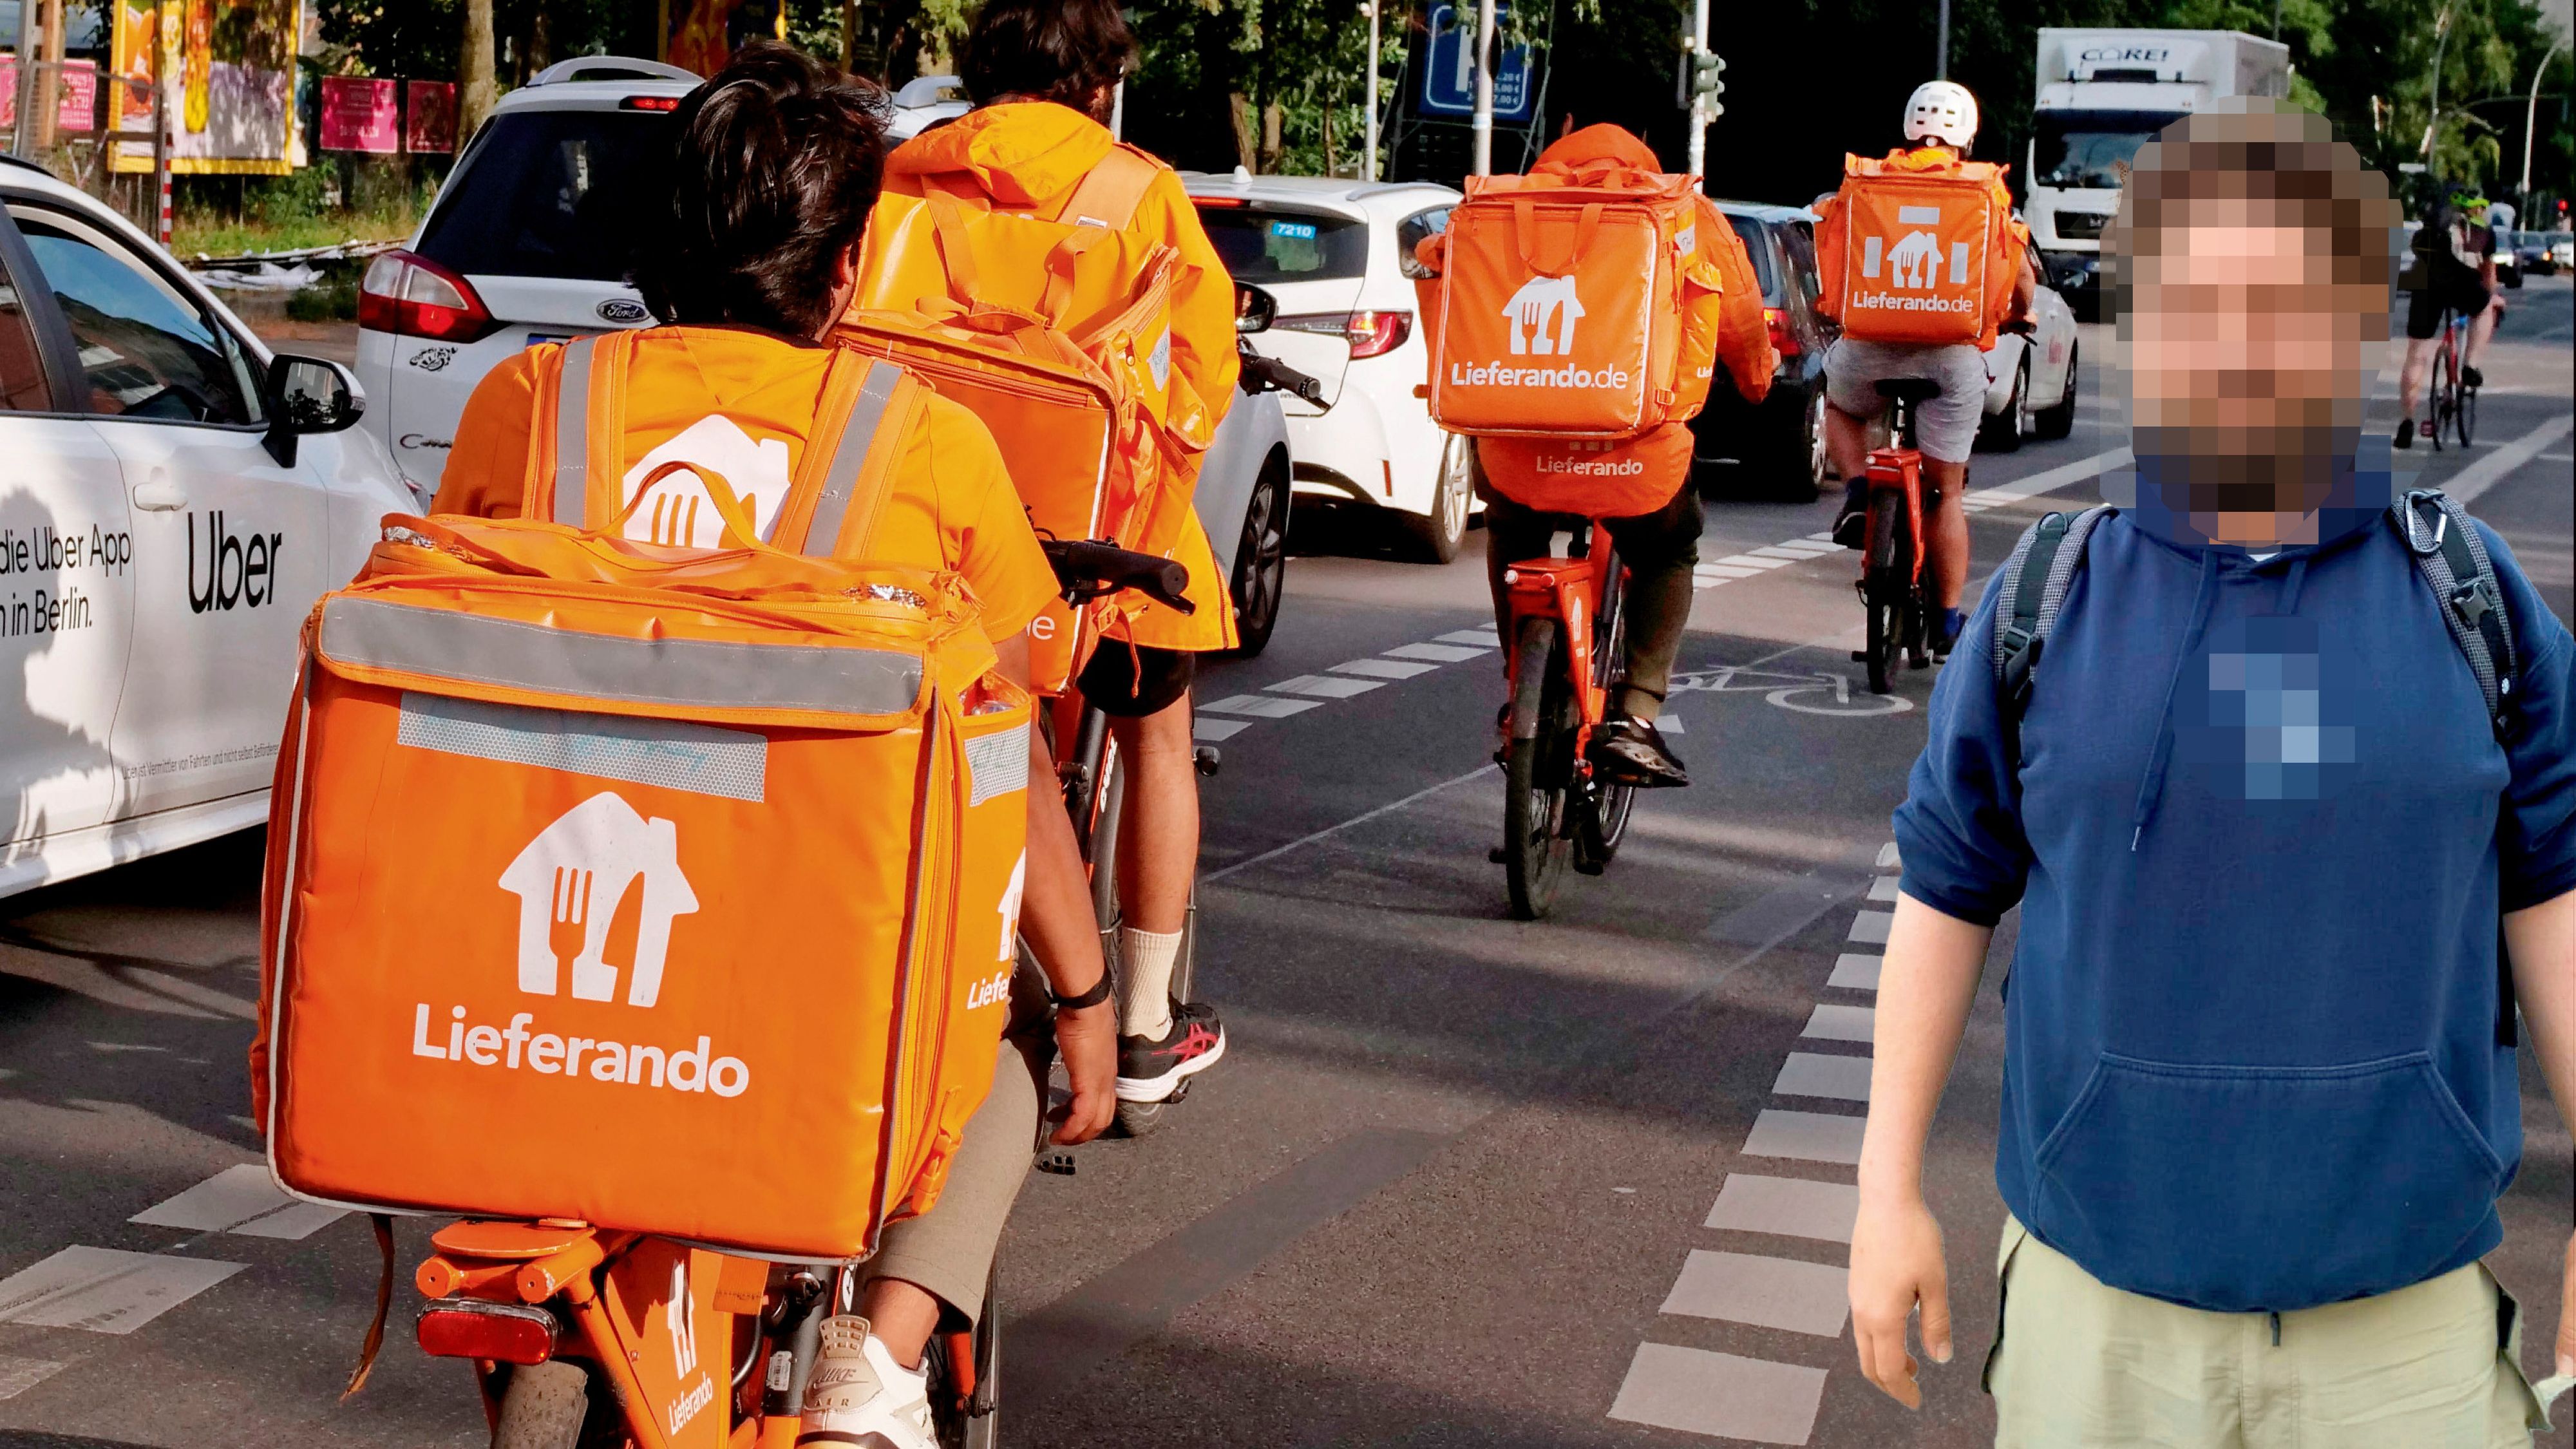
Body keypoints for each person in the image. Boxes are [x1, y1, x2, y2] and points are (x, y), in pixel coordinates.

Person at [1846, 102, 2576, 1447]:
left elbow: (2554, 900)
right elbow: (1944, 895)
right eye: (2195, 300)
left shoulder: (2470, 605)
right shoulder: (2045, 605)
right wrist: (1882, 1185)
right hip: (2095, 1319)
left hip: (2401, 1333)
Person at [431, 44, 1115, 1449]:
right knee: (994, 1048)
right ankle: (881, 1357)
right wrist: (1092, 993)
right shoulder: (925, 447)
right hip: (813, 986)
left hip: (557, 985)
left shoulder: (529, 410)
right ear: (851, 267)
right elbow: (1008, 765)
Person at [873, 0, 1235, 1103]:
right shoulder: (1136, 190)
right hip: (1094, 539)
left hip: (928, 527)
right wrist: (1145, 522)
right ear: (1097, 84)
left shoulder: (904, 180)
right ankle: (1142, 1027)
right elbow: (1201, 374)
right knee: (1159, 742)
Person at [1469, 124, 1777, 788]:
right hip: (1633, 458)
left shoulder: (1502, 206)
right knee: (1669, 552)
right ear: (1645, 148)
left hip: (1519, 452)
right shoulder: (1680, 212)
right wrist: (1755, 385)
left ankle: (1520, 681)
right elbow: (1742, 318)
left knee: (1510, 531)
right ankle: (1636, 712)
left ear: (1558, 146)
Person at [1824, 80, 2036, 657]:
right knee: (1946, 495)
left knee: (1840, 405)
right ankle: (1946, 624)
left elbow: (1831, 250)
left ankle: (1860, 487)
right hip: (1950, 357)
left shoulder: (1866, 180)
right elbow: (2017, 274)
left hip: (1868, 343)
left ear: (1908, 127)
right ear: (1968, 135)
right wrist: (2020, 314)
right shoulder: (1985, 190)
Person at [2395, 182, 2506, 448]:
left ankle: (2406, 424)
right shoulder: (2482, 231)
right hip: (2460, 282)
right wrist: (2492, 298)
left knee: (2417, 355)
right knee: (2484, 309)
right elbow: (2489, 276)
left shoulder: (2434, 227)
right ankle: (2470, 367)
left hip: (2426, 283)